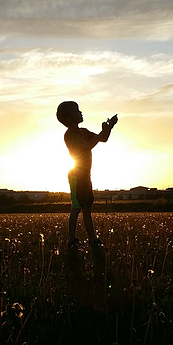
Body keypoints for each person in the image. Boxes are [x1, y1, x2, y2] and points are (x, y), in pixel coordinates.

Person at [56, 101, 118, 250]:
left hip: (85, 175)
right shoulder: (69, 135)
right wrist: (98, 136)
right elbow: (85, 147)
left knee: (86, 207)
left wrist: (109, 127)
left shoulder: (84, 131)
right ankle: (75, 240)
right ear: (70, 119)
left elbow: (102, 138)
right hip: (76, 176)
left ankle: (90, 239)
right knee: (77, 208)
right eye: (77, 111)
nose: (81, 112)